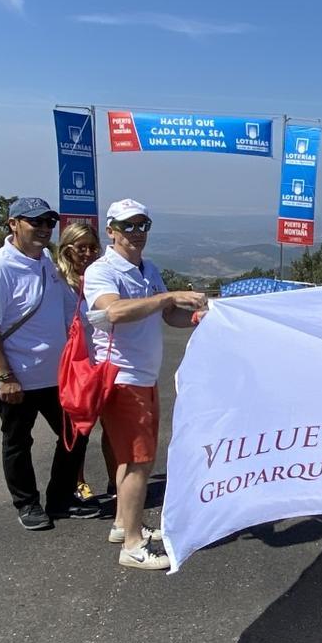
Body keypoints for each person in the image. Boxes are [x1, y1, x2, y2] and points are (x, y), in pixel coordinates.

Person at [84, 199, 208, 570]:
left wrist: (199, 317)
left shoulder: (147, 268)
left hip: (143, 376)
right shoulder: (102, 271)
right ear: (111, 231)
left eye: (142, 226)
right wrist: (166, 296)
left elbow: (169, 315)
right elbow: (114, 311)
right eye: (128, 226)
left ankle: (125, 524)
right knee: (140, 461)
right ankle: (133, 546)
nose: (136, 233)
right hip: (122, 377)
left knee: (129, 458)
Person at [0, 197, 101, 530]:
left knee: (75, 434)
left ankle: (59, 500)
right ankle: (28, 504)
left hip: (55, 375)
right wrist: (4, 376)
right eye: (36, 222)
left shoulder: (45, 260)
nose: (44, 228)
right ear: (13, 224)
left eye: (48, 222)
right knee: (18, 442)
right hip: (17, 378)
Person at [53, 221, 110, 502]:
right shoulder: (58, 282)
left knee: (107, 426)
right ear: (67, 249)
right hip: (73, 365)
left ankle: (115, 481)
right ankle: (77, 482)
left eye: (92, 248)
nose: (87, 253)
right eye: (81, 248)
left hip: (98, 360)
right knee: (77, 428)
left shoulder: (99, 278)